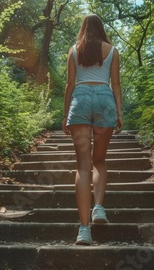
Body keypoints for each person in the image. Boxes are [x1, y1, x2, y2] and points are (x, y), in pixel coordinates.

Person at [62, 14, 123, 245]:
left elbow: (69, 84)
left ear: (84, 28)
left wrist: (65, 113)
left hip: (81, 100)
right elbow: (115, 84)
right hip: (105, 100)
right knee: (99, 160)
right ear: (101, 28)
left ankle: (84, 230)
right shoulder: (113, 50)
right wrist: (120, 111)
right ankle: (98, 207)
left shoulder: (74, 50)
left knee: (83, 166)